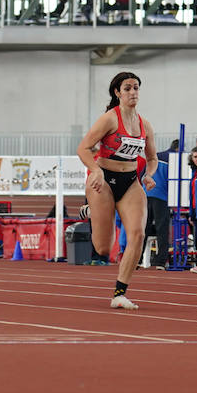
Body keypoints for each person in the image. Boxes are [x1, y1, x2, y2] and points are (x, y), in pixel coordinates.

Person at [74, 71, 159, 309]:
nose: (133, 92)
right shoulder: (109, 119)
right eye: (128, 88)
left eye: (136, 88)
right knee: (102, 248)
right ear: (117, 93)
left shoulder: (145, 125)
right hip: (102, 180)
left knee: (138, 234)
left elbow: (152, 158)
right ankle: (92, 211)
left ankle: (119, 293)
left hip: (130, 180)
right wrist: (96, 170)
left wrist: (149, 175)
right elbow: (83, 148)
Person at [144, 142, 173, 268]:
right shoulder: (174, 160)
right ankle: (160, 261)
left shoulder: (155, 157)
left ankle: (136, 258)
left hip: (146, 195)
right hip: (162, 197)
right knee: (162, 229)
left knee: (142, 229)